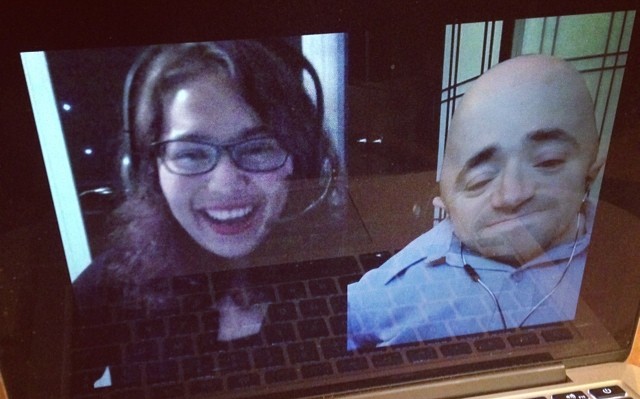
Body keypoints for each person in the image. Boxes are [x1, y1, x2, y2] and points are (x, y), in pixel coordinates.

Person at [74, 40, 341, 341]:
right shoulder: (106, 292)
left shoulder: (347, 275)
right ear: (151, 171)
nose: (225, 184)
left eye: (257, 148)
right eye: (191, 154)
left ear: (300, 157)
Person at [347, 54, 604, 349]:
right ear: (443, 202)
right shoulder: (391, 292)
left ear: (591, 171)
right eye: (479, 181)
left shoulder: (621, 259)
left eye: (548, 161)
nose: (512, 194)